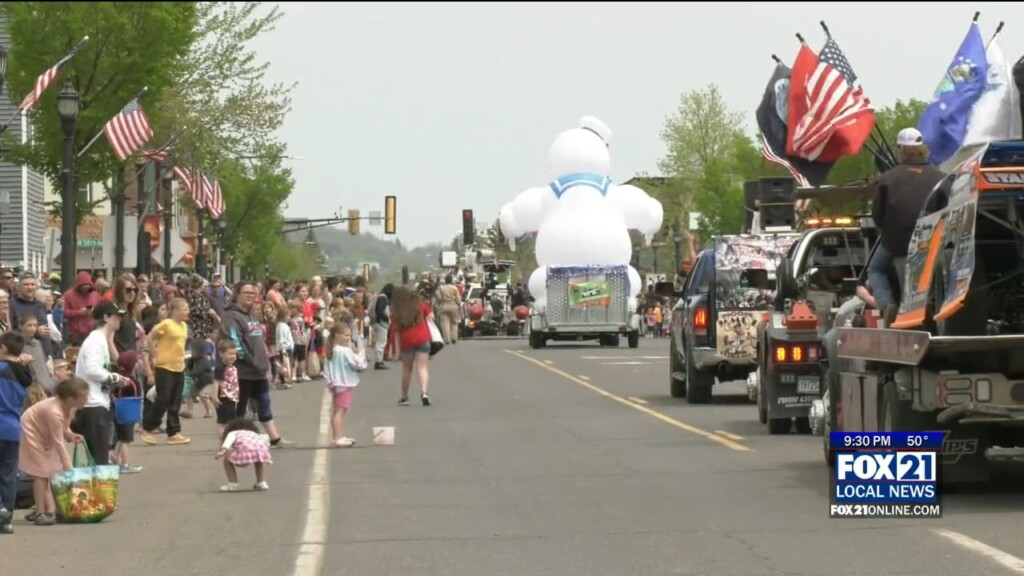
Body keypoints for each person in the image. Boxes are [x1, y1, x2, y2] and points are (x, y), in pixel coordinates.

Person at [870, 127, 945, 324]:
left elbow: (877, 217)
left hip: (898, 243)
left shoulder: (886, 179)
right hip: (932, 242)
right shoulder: (941, 177)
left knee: (875, 270)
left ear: (900, 150)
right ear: (923, 149)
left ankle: (887, 305)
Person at [220, 281, 291, 447]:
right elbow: (235, 342)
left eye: (253, 293)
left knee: (264, 402)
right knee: (239, 409)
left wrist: (269, 362)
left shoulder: (252, 315)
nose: (251, 296)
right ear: (237, 294)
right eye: (246, 293)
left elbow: (260, 341)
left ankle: (275, 438)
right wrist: (251, 362)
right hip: (242, 371)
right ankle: (231, 441)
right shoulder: (231, 316)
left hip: (259, 370)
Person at [18, 377, 88, 527]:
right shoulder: (53, 411)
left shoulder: (71, 408)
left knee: (54, 470)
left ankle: (52, 510)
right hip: (32, 429)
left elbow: (63, 427)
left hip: (46, 429)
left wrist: (69, 434)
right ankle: (40, 512)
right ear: (71, 399)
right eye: (84, 397)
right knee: (41, 472)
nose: (87, 400)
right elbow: (58, 441)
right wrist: (68, 466)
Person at [72, 302, 128, 465]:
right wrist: (115, 378)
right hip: (92, 405)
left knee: (99, 455)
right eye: (117, 316)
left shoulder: (100, 339)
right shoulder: (96, 340)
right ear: (106, 317)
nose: (120, 320)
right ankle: (98, 489)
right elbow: (92, 369)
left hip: (96, 403)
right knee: (99, 457)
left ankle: (97, 487)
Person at [141, 297, 191, 446]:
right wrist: (153, 354)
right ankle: (148, 427)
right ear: (174, 310)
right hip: (165, 367)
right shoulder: (166, 324)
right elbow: (149, 338)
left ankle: (174, 432)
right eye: (184, 309)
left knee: (175, 401)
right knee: (163, 399)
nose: (187, 312)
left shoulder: (184, 326)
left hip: (179, 366)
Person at [0, 332, 33, 534]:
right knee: (9, 474)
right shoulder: (24, 374)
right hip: (12, 427)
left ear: (3, 348)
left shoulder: (2, 369)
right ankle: (7, 517)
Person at [323, 324, 367, 447]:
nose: (348, 338)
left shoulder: (331, 351)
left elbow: (326, 369)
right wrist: (361, 354)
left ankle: (338, 435)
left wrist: (329, 382)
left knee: (337, 410)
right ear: (337, 336)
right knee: (341, 411)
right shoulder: (345, 351)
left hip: (335, 384)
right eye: (346, 335)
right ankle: (338, 437)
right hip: (345, 383)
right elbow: (357, 363)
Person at [389, 286, 434, 407]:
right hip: (423, 338)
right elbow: (431, 316)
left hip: (406, 342)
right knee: (422, 367)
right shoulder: (419, 304)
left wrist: (396, 352)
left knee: (406, 370)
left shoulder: (396, 310)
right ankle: (424, 392)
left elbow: (396, 331)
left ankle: (405, 397)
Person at [215, 417, 272, 492]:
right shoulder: (253, 433)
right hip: (259, 451)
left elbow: (228, 442)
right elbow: (265, 440)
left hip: (242, 454)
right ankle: (261, 482)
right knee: (259, 459)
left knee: (227, 460)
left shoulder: (233, 433)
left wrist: (223, 451)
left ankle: (233, 483)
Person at [211, 339, 240, 437]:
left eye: (234, 354)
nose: (233, 356)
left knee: (232, 423)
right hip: (223, 399)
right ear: (221, 354)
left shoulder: (233, 367)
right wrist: (215, 397)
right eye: (229, 354)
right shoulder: (220, 368)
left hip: (232, 399)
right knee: (223, 423)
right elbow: (216, 382)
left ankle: (230, 444)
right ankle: (223, 445)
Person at [370, 284, 394, 370]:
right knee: (381, 343)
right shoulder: (383, 298)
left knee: (380, 342)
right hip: (381, 323)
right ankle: (379, 361)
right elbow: (379, 311)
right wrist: (387, 319)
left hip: (378, 322)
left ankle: (379, 360)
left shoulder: (379, 297)